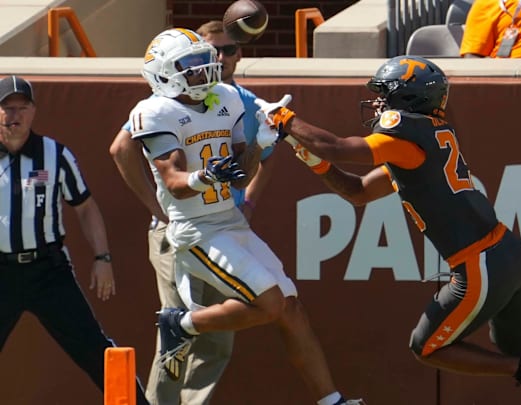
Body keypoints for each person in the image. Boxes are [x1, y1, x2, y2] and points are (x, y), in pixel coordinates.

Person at [256, 56, 521, 405]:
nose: (378, 103)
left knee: (427, 346)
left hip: (480, 263)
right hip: (508, 251)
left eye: (385, 95)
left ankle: (520, 369)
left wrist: (287, 120)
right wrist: (310, 156)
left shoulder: (405, 132)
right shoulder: (421, 141)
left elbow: (340, 148)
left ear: (408, 98)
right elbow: (357, 192)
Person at [111, 27, 362, 405]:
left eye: (203, 61)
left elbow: (242, 173)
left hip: (230, 220)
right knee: (269, 303)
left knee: (291, 309)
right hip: (195, 230)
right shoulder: (155, 110)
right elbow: (176, 183)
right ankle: (180, 324)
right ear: (164, 72)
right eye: (190, 65)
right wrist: (204, 176)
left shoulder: (225, 97)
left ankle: (331, 401)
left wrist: (259, 145)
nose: (203, 70)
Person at [0, 75, 150, 404]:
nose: (15, 116)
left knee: (93, 347)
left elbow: (85, 208)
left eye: (22, 108)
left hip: (48, 271)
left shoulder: (55, 155)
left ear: (33, 111)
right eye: (7, 108)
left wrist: (103, 258)